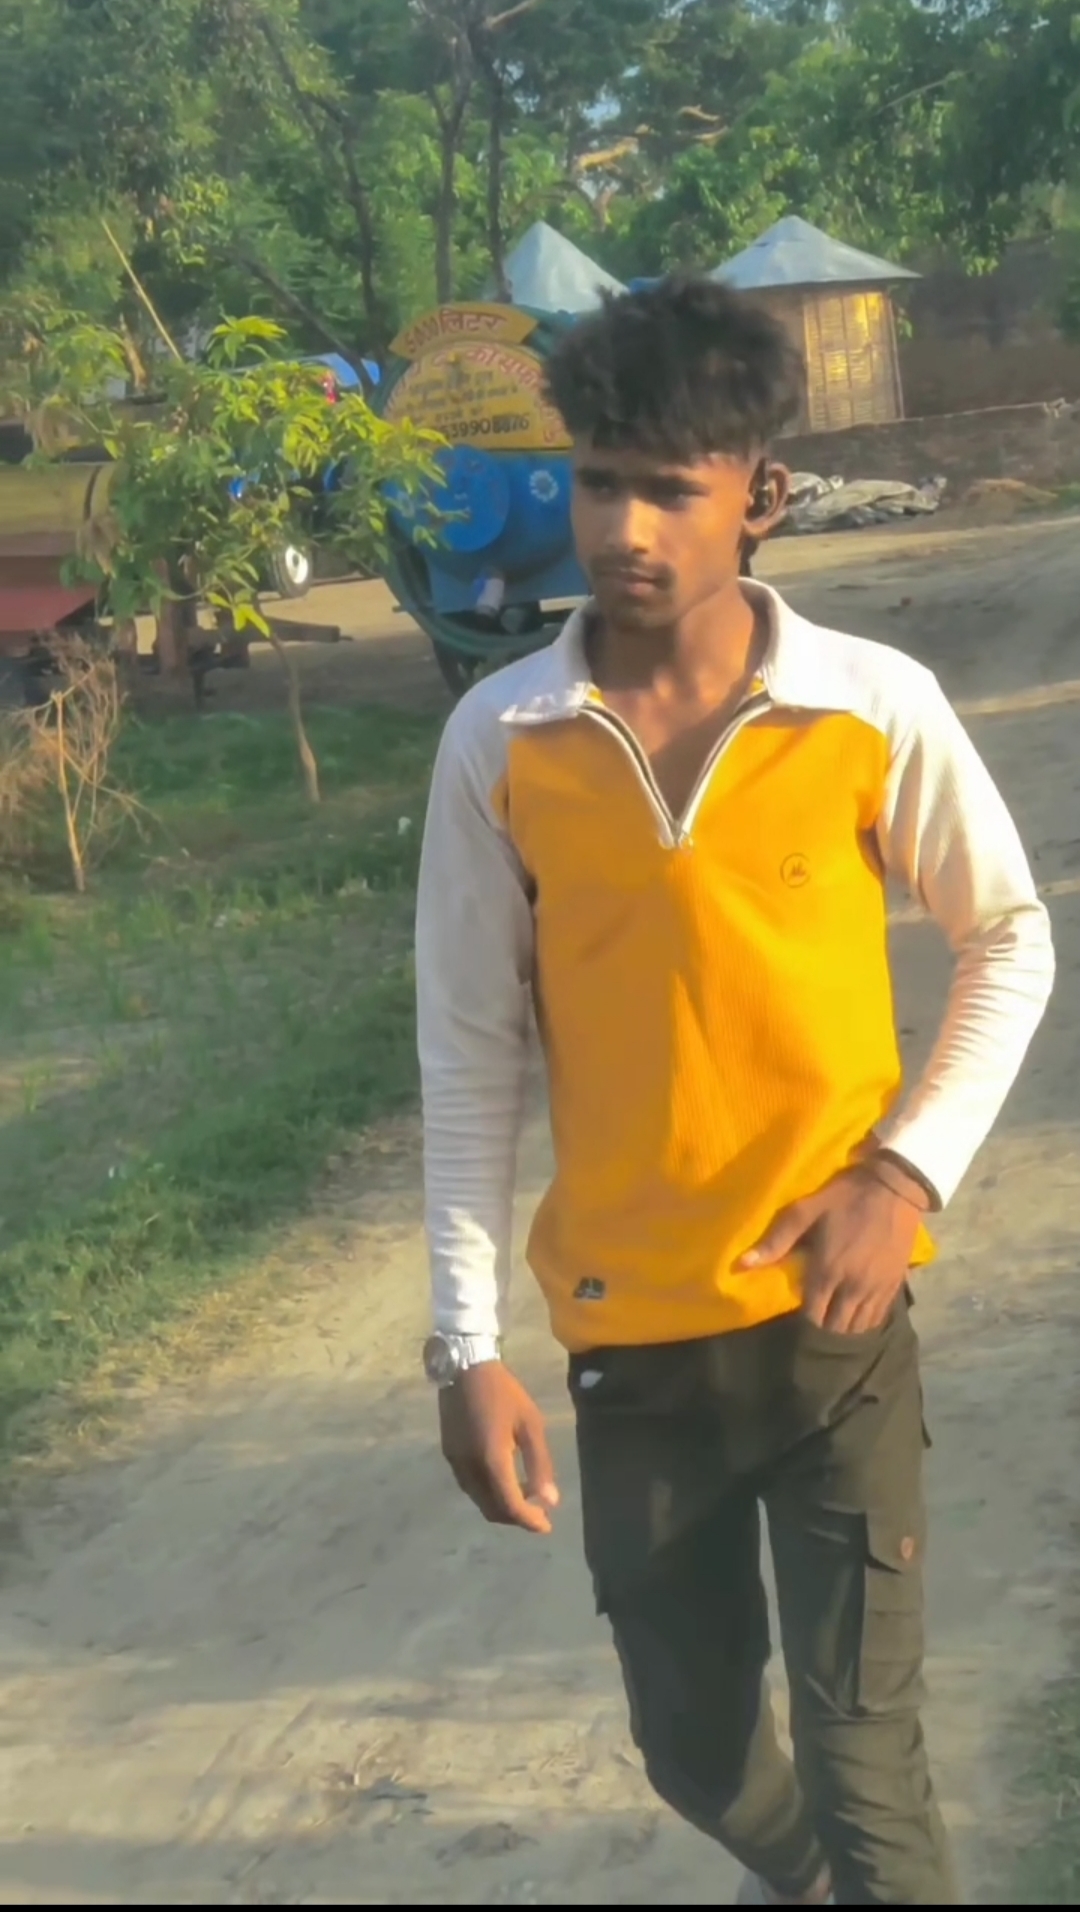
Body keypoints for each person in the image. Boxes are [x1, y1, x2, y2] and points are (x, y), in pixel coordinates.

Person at [414, 277, 1054, 1906]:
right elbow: (471, 1050)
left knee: (869, 1769)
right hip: (634, 1348)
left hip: (835, 1332)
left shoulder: (868, 704)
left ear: (760, 496)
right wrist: (467, 1349)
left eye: (669, 489)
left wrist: (901, 1177)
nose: (623, 528)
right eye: (598, 481)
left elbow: (1009, 939)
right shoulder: (505, 740)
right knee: (695, 1750)